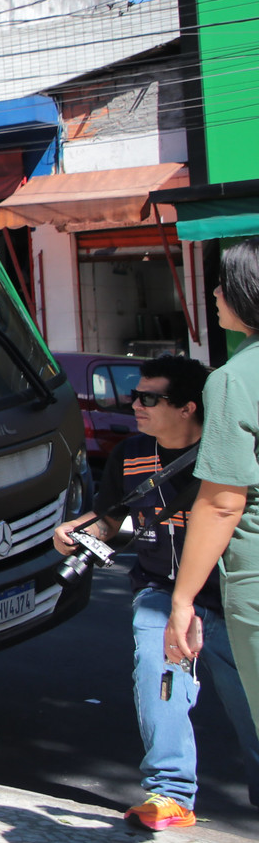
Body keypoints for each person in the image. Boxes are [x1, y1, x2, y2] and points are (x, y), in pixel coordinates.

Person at [55, 352, 259, 830]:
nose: (135, 406)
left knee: (249, 704)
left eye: (149, 398)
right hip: (160, 590)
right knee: (157, 673)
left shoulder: (225, 453)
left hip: (225, 598)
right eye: (135, 396)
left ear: (188, 407)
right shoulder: (129, 455)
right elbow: (111, 518)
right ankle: (170, 793)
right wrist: (81, 531)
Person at [169, 239, 259, 749]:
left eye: (225, 283)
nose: (217, 293)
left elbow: (223, 501)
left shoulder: (232, 380)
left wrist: (183, 600)